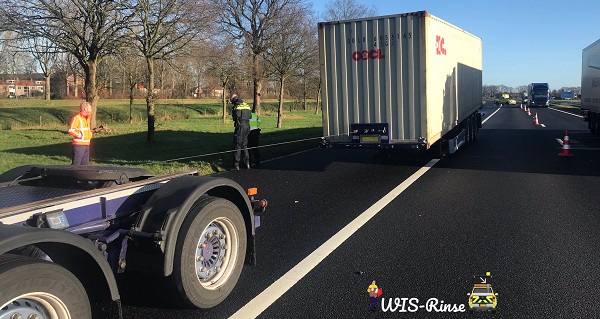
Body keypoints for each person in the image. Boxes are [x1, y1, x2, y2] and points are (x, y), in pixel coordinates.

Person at [230, 93, 252, 170]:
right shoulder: (247, 105)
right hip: (247, 126)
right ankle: (247, 163)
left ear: (233, 99)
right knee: (244, 145)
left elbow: (235, 117)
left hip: (240, 126)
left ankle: (236, 165)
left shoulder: (236, 106)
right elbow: (250, 116)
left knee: (237, 145)